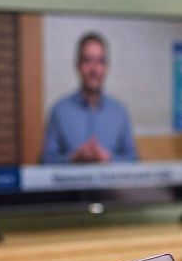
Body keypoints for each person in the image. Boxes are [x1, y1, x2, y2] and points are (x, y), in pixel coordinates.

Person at [40, 32, 137, 164]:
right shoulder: (58, 111)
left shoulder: (120, 112)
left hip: (112, 185)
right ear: (78, 65)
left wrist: (109, 158)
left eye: (100, 61)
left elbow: (133, 160)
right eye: (88, 61)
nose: (94, 69)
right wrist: (73, 158)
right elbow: (45, 162)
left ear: (106, 67)